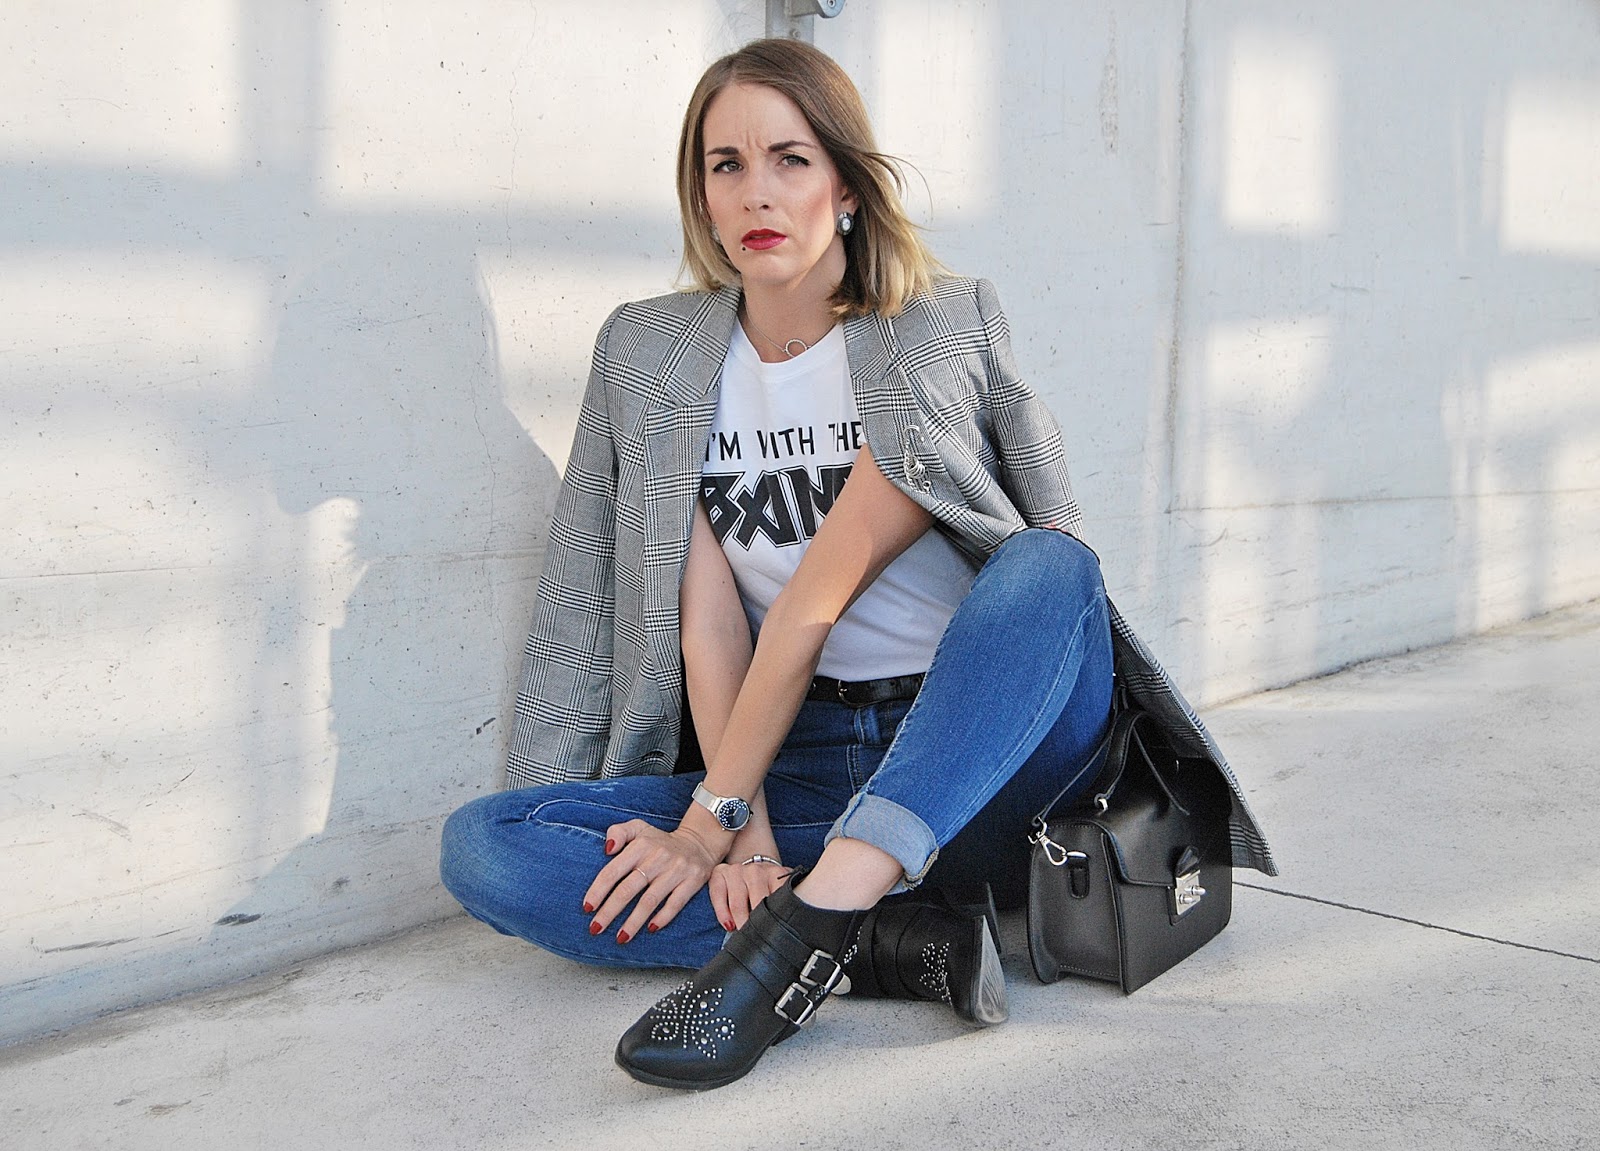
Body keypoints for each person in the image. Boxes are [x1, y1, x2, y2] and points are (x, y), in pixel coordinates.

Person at [439, 38, 1274, 1091]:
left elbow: (809, 606)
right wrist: (741, 827)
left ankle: (809, 925)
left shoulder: (925, 332)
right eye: (725, 164)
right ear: (700, 196)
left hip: (978, 754)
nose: (757, 192)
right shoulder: (653, 357)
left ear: (844, 185)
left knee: (1050, 568)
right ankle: (886, 936)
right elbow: (709, 623)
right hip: (798, 756)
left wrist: (708, 822)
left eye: (789, 159)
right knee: (489, 845)